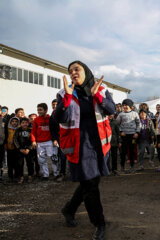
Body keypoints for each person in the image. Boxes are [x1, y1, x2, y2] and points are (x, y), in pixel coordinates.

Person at [55, 60, 115, 240]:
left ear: (86, 71)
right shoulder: (64, 93)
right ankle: (99, 223)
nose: (73, 72)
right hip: (80, 146)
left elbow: (111, 110)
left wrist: (97, 96)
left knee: (90, 183)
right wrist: (65, 99)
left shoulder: (101, 89)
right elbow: (58, 117)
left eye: (77, 69)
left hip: (99, 145)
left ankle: (69, 209)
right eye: (70, 70)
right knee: (90, 186)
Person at [31, 103, 59, 180]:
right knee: (41, 160)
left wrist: (55, 140)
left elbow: (55, 130)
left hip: (50, 142)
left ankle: (56, 173)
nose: (39, 111)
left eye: (40, 110)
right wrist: (33, 141)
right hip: (40, 143)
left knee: (54, 158)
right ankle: (45, 175)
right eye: (38, 110)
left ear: (46, 110)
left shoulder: (51, 118)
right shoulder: (36, 120)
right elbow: (33, 131)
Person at [116, 99, 140, 174]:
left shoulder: (135, 114)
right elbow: (117, 124)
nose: (124, 107)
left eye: (126, 105)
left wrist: (137, 132)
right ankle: (122, 167)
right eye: (123, 105)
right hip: (124, 136)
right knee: (123, 152)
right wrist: (120, 131)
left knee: (132, 152)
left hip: (132, 136)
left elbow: (139, 124)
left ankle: (132, 167)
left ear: (130, 106)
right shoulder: (120, 114)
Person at [50, 99, 67, 182]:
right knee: (60, 157)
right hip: (58, 139)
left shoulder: (65, 113)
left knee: (67, 157)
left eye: (56, 104)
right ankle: (61, 173)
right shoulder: (52, 116)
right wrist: (54, 139)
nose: (55, 106)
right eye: (53, 104)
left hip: (66, 138)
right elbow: (52, 129)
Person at [14, 118, 34, 183]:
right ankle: (21, 176)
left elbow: (33, 140)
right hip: (20, 150)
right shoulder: (18, 130)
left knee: (30, 163)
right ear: (20, 124)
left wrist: (29, 148)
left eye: (26, 123)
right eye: (23, 123)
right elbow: (15, 140)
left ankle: (30, 176)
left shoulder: (31, 130)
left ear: (28, 123)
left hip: (29, 150)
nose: (24, 124)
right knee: (20, 164)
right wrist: (19, 148)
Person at [5, 117, 19, 182]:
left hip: (17, 149)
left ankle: (16, 176)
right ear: (10, 122)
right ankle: (10, 176)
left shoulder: (19, 129)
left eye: (16, 122)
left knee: (17, 163)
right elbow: (5, 137)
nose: (14, 123)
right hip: (9, 148)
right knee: (10, 163)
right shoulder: (8, 129)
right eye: (13, 121)